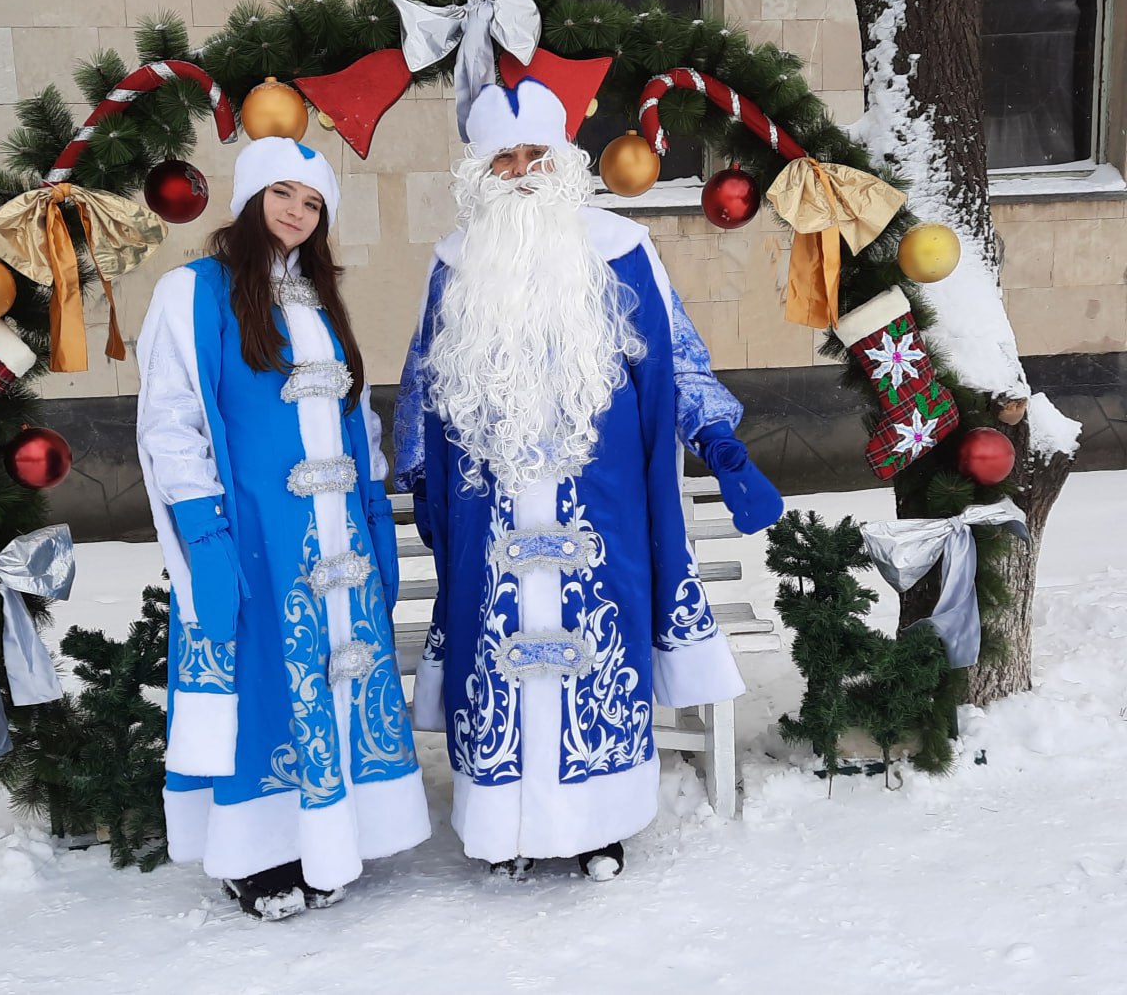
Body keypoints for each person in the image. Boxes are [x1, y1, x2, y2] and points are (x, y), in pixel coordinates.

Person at [393, 78, 782, 881]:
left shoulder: (621, 246)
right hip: (490, 509)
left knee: (597, 651)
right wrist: (422, 480)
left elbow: (678, 354)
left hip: (597, 505)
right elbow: (424, 380)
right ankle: (502, 827)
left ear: (563, 159)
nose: (524, 170)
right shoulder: (455, 261)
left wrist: (718, 441)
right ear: (480, 170)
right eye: (505, 157)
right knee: (498, 658)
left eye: (537, 153)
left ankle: (597, 825)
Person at [136, 137, 430, 920]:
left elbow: (354, 418)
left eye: (313, 202)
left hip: (336, 541)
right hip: (255, 533)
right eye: (283, 195)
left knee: (332, 678)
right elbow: (172, 421)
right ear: (250, 197)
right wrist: (203, 535)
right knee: (265, 682)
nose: (298, 213)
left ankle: (326, 838)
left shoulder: (320, 298)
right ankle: (255, 855)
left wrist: (373, 519)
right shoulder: (193, 291)